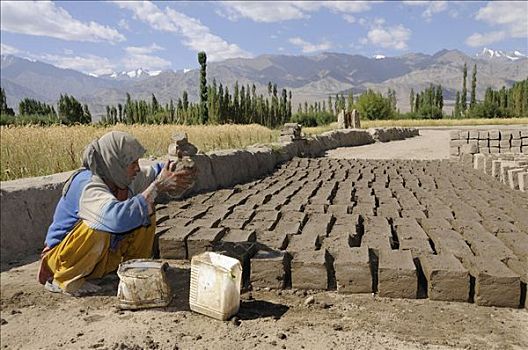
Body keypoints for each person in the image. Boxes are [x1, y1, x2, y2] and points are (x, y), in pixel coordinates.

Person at [37, 131, 195, 296]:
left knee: (145, 211)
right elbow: (115, 219)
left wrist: (179, 164)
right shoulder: (87, 184)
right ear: (115, 161)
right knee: (100, 225)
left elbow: (157, 173)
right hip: (63, 261)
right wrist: (156, 188)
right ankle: (65, 281)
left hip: (100, 258)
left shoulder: (121, 176)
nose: (137, 168)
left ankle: (134, 270)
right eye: (132, 163)